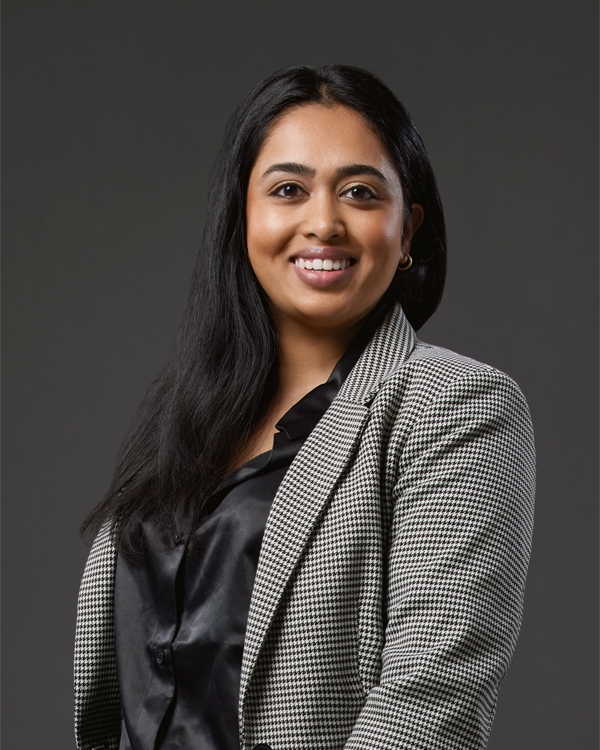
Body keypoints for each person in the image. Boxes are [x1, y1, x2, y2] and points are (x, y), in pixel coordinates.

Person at [74, 65, 535, 750]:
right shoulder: (184, 417)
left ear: (408, 232)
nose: (323, 223)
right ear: (242, 217)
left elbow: (432, 697)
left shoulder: (456, 404)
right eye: (288, 190)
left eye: (360, 192)